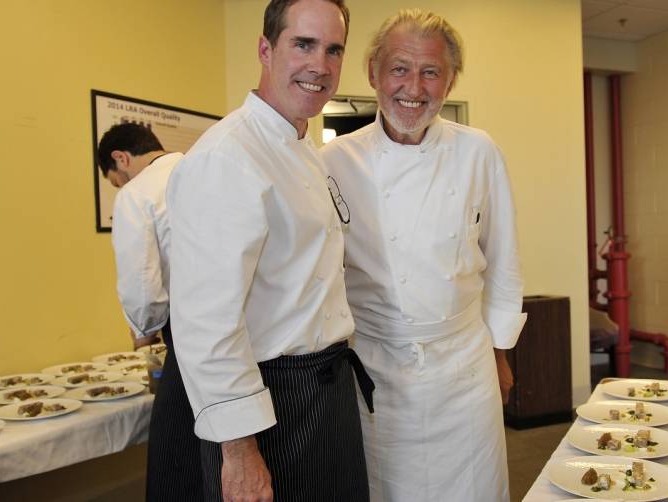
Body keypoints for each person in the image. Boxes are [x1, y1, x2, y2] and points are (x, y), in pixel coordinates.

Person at [166, 1, 371, 501]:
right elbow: (207, 323)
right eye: (303, 44)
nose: (320, 65)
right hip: (269, 406)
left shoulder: (305, 150)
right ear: (265, 48)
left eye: (333, 49)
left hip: (326, 391)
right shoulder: (227, 157)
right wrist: (238, 452)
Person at [320, 8, 527, 502]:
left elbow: (504, 260)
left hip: (464, 367)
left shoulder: (478, 151)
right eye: (400, 68)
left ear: (450, 80)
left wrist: (500, 356)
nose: (414, 86)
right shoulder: (332, 162)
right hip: (375, 366)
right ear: (373, 72)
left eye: (431, 71)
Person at [97, 122, 203, 501]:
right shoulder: (204, 168)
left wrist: (144, 331)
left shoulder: (137, 193)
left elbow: (141, 280)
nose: (120, 186)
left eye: (116, 180)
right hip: (251, 328)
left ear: (120, 158)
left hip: (190, 333)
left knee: (174, 453)